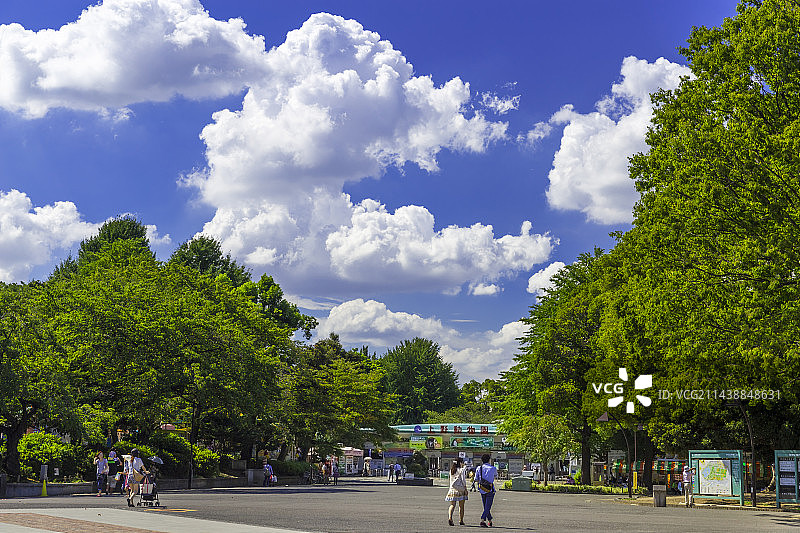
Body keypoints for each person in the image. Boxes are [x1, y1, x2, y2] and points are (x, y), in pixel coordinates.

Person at [445, 458, 468, 526]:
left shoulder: (451, 470)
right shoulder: (461, 470)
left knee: (452, 505)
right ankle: (461, 520)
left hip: (452, 489)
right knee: (461, 506)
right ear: (460, 463)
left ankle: (450, 518)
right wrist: (465, 488)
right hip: (460, 490)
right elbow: (463, 480)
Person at [476, 454, 497, 528]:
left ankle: (490, 520)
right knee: (488, 506)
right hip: (490, 489)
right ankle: (482, 520)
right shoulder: (493, 468)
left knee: (486, 506)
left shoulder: (479, 468)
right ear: (489, 460)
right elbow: (495, 476)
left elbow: (476, 478)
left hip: (482, 488)